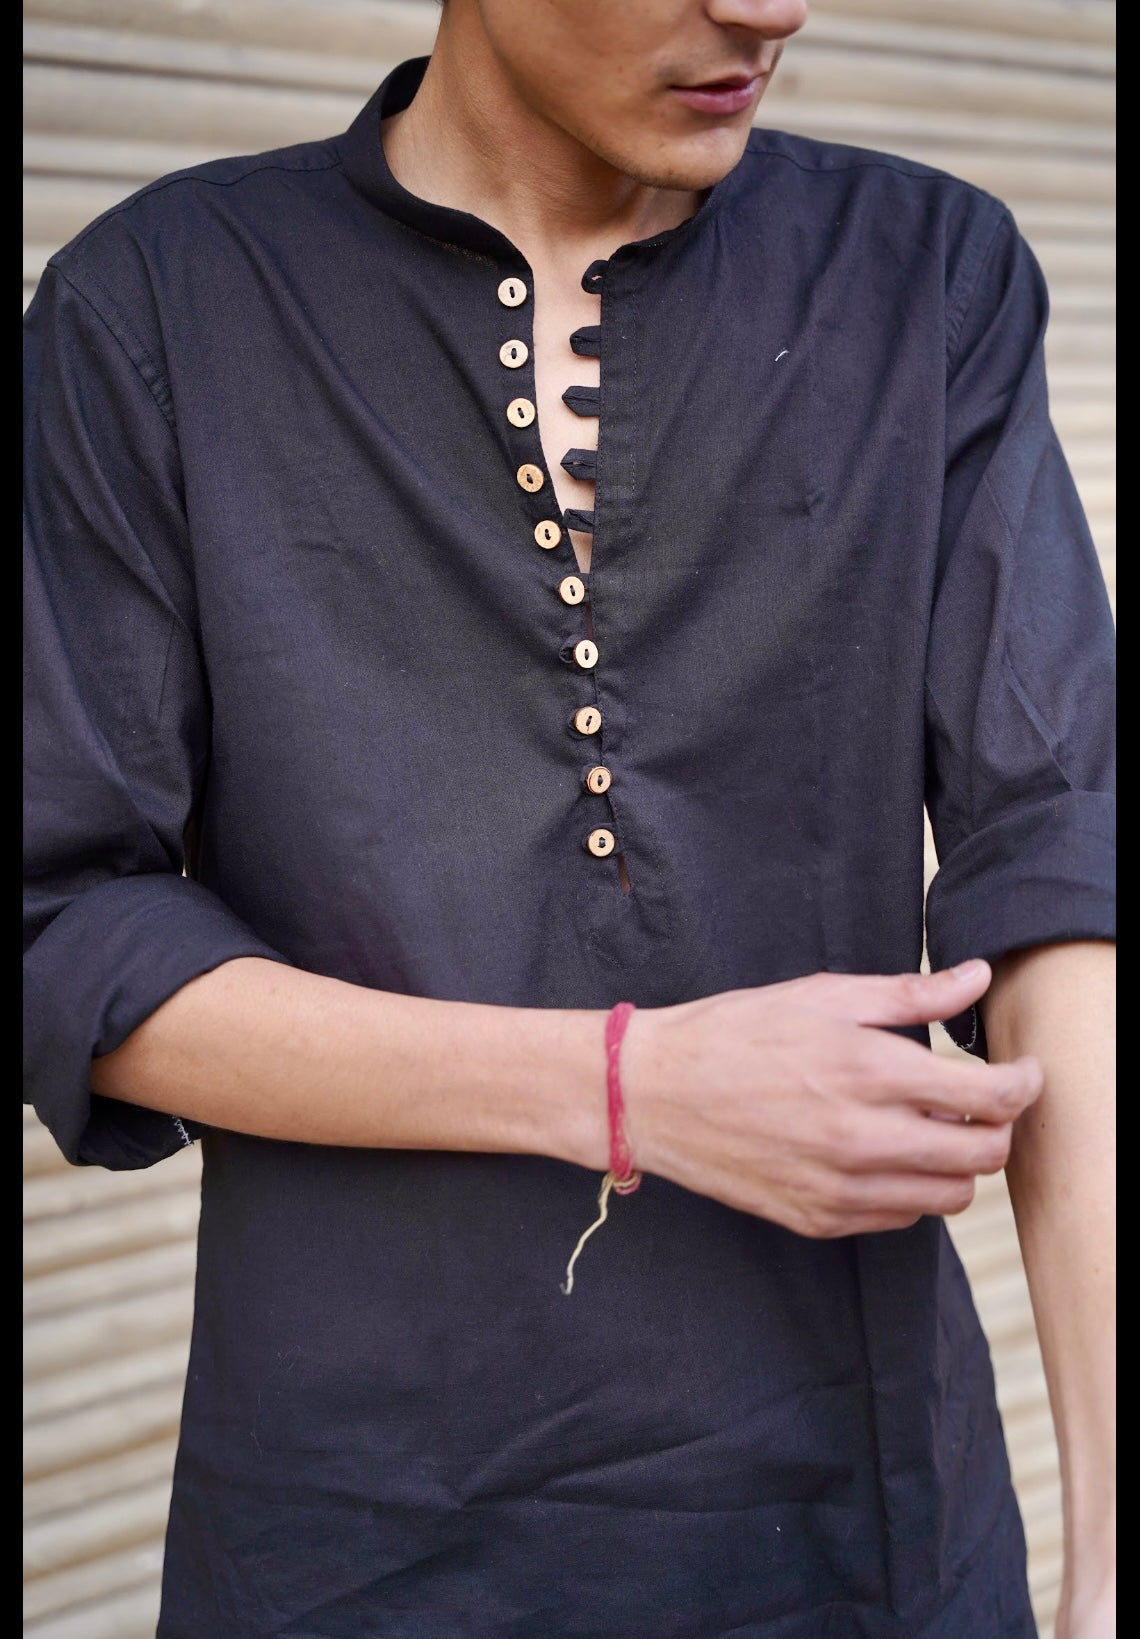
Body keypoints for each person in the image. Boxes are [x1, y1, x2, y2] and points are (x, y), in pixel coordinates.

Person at [23, 1, 1115, 1634]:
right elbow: (61, 921)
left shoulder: (921, 275)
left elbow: (1062, 854)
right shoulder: (159, 308)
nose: (767, 9)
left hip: (864, 1532)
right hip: (355, 1541)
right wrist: (627, 1088)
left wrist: (1109, 1552)